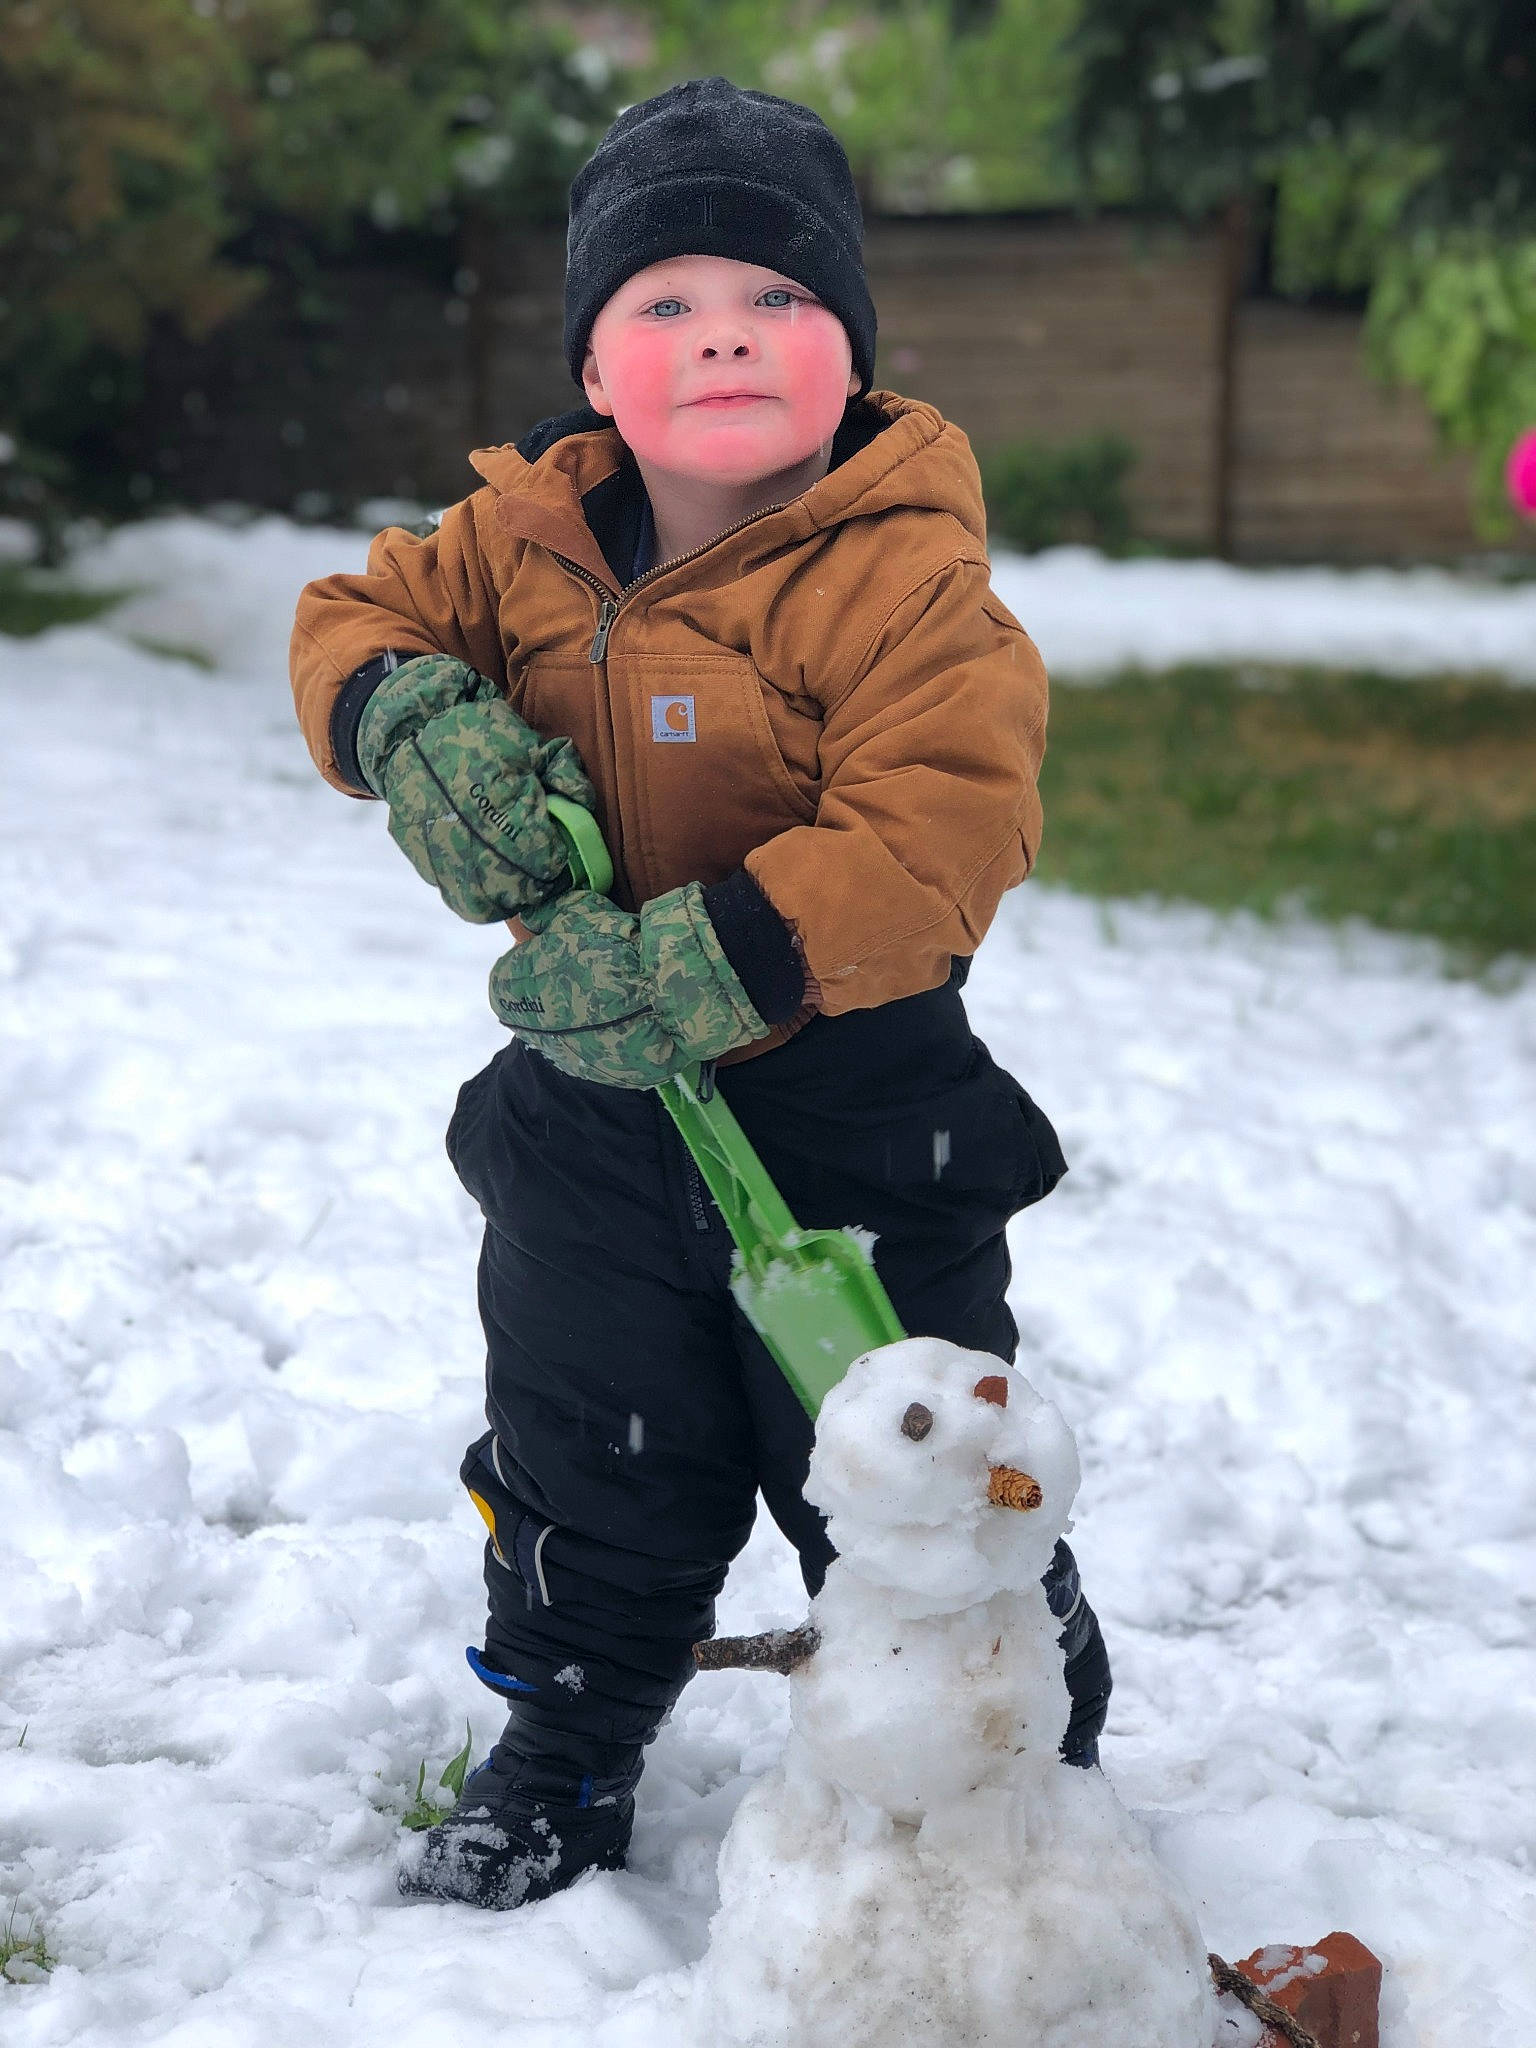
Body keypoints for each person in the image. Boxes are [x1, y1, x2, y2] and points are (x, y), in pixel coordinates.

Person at [289, 76, 1111, 1912]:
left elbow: (941, 826)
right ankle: (571, 1740)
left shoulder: (911, 579)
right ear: (596, 367)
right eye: (664, 302)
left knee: (891, 1448)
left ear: (848, 358)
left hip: (856, 1107)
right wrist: (404, 716)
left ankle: (1007, 1683)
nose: (722, 329)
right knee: (590, 1440)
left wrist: (714, 954)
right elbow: (356, 612)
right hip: (591, 1116)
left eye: (778, 299)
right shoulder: (517, 544)